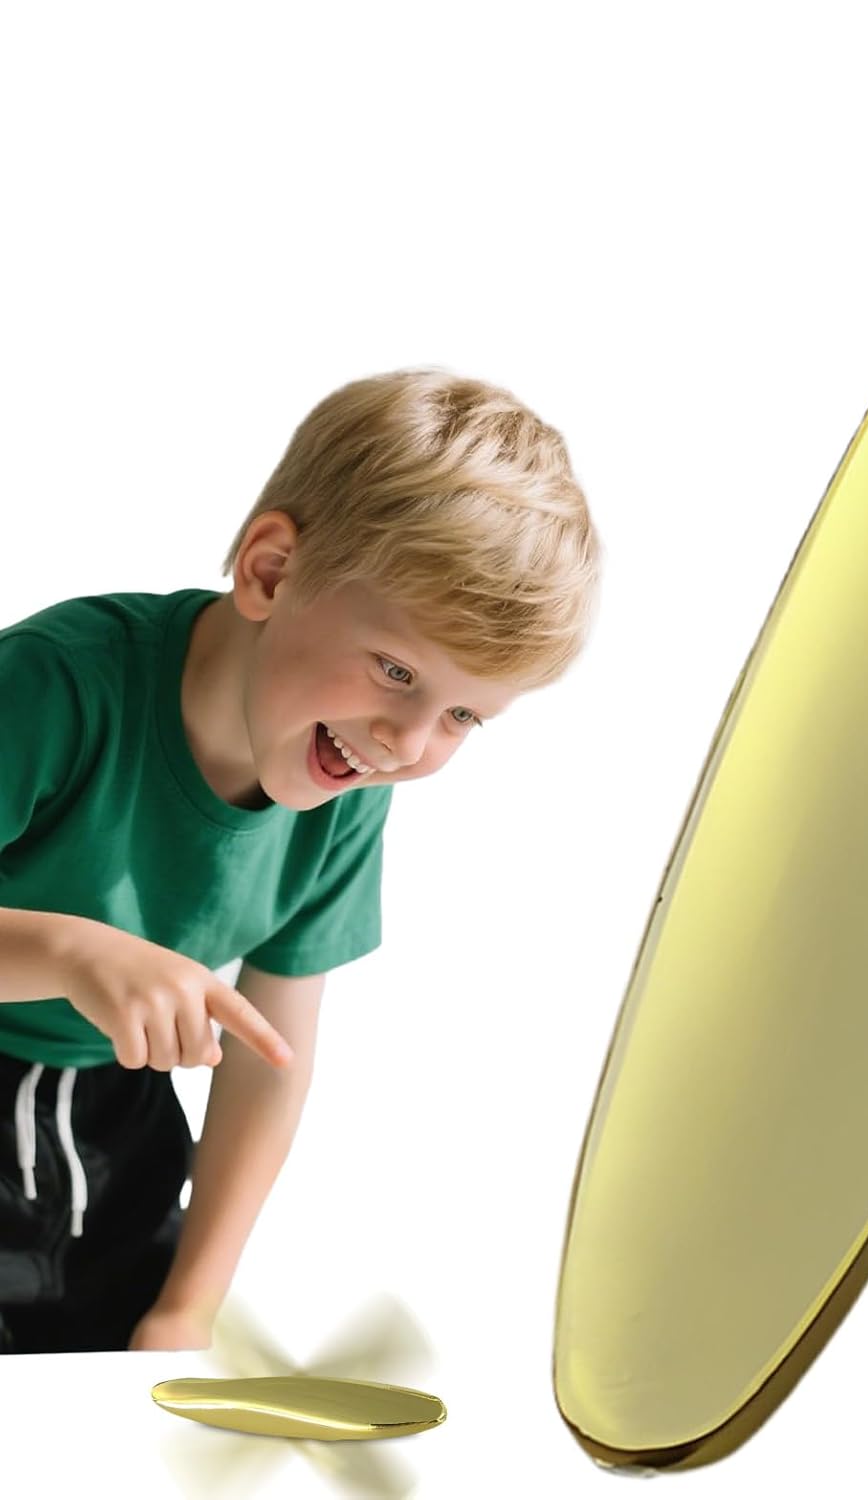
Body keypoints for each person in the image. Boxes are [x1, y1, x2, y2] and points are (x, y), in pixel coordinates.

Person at [0, 368, 601, 1353]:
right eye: (396, 670)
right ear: (272, 572)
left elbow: (271, 1057)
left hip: (111, 1126)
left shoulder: (344, 788)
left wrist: (190, 1305)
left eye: (461, 715)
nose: (406, 743)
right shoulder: (56, 687)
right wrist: (71, 954)